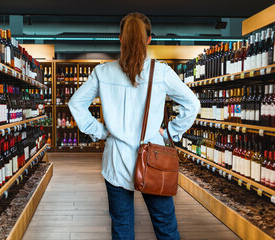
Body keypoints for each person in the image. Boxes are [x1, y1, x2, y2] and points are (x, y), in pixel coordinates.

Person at [69, 12, 200, 240]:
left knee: (122, 228)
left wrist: (100, 131)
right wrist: (170, 132)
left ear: (120, 38)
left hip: (116, 160)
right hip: (154, 159)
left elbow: (75, 104)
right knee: (165, 227)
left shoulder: (102, 72)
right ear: (148, 39)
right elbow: (192, 103)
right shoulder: (161, 72)